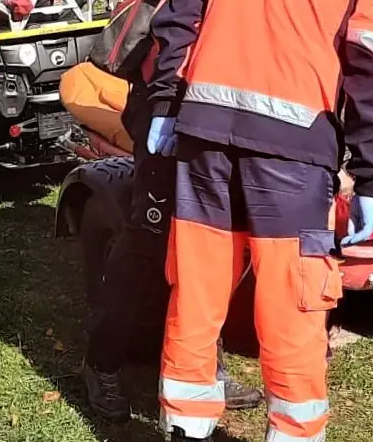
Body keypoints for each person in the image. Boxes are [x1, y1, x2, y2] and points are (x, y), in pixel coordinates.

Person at [147, 0, 373, 442]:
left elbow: (180, 10)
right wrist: (372, 175)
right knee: (292, 302)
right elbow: (370, 70)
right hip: (291, 157)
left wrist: (164, 102)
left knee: (199, 289)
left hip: (203, 135)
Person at [81, 50, 263, 422]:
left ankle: (210, 367)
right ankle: (102, 363)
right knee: (146, 246)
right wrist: (164, 108)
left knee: (212, 249)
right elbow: (174, 33)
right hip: (168, 108)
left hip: (220, 114)